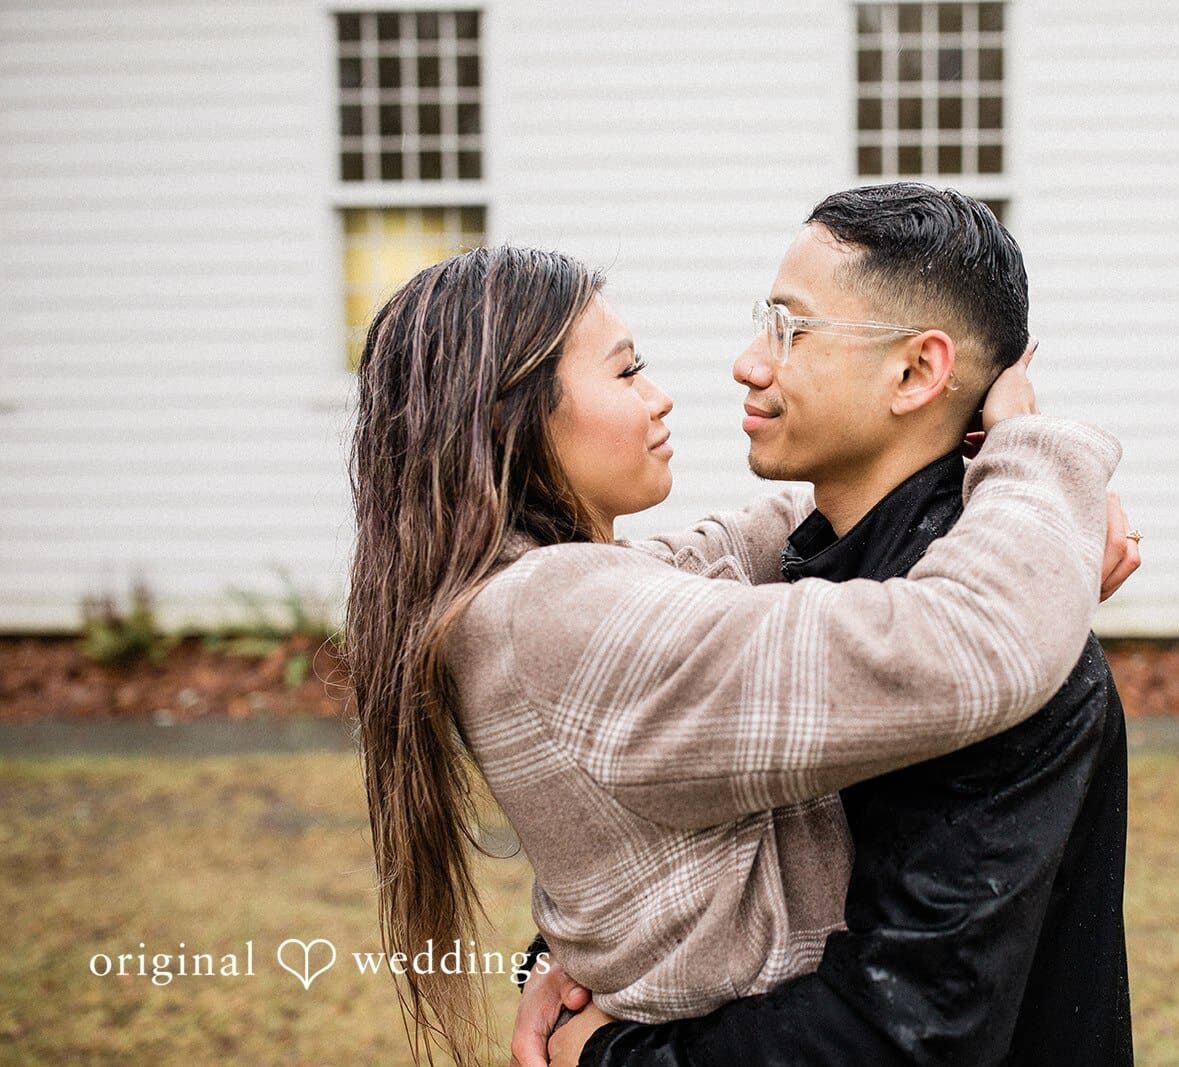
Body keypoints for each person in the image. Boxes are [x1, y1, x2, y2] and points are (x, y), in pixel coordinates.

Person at [343, 239, 1126, 1066]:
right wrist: (1034, 463)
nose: (663, 395)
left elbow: (768, 539)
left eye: (792, 330)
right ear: (510, 419)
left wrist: (1025, 514)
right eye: (626, 371)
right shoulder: (551, 617)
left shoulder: (517, 600)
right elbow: (970, 638)